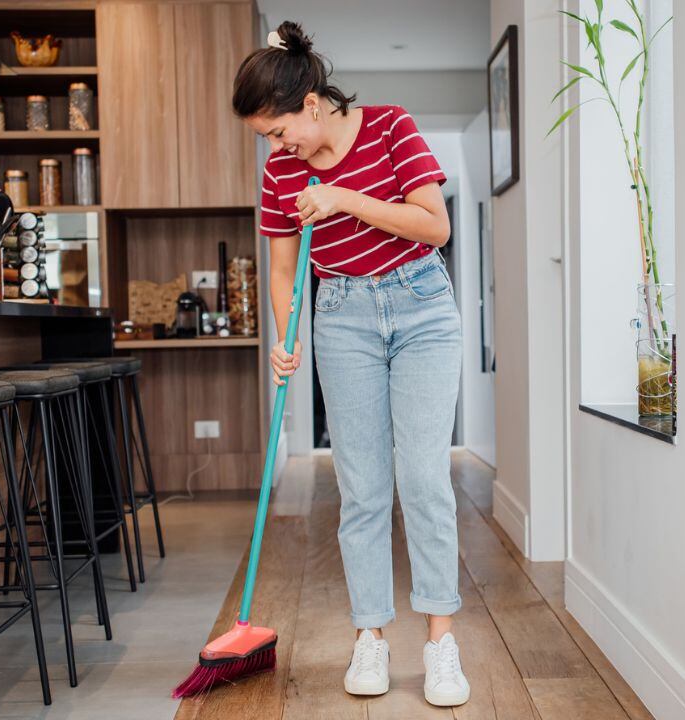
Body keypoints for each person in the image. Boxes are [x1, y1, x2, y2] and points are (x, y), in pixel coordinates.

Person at [231, 20, 469, 708]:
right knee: (361, 487)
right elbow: (282, 270)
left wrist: (341, 199)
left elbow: (435, 225)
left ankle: (440, 644)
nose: (278, 149)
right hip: (341, 318)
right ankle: (370, 636)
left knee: (423, 478)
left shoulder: (392, 128)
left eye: (279, 132)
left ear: (309, 104)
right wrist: (286, 335)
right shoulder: (282, 173)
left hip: (421, 306)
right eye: (267, 141)